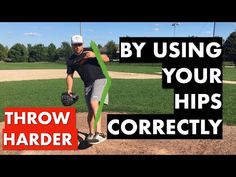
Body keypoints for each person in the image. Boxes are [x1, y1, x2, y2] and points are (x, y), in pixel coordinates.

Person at [66, 34, 109, 145]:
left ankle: (99, 133)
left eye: (79, 44)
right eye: (75, 45)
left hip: (100, 80)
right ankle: (91, 134)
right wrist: (69, 89)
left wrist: (95, 55)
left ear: (83, 44)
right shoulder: (71, 60)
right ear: (72, 45)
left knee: (94, 102)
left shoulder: (89, 50)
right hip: (87, 85)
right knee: (90, 111)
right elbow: (69, 75)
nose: (77, 47)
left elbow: (106, 59)